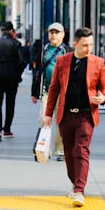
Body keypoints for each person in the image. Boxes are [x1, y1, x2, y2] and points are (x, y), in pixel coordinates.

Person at [42, 27, 105, 207]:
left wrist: (102, 97)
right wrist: (48, 114)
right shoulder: (62, 61)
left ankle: (79, 190)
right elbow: (54, 88)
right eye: (85, 45)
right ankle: (75, 182)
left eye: (91, 45)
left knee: (81, 150)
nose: (89, 49)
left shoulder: (99, 63)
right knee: (69, 153)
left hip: (86, 115)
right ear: (75, 44)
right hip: (66, 115)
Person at [31, 22, 73, 161]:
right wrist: (34, 92)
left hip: (63, 93)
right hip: (46, 92)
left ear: (62, 35)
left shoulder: (68, 51)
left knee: (61, 122)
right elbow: (37, 72)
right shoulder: (43, 50)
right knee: (44, 119)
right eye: (51, 32)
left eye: (56, 32)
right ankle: (43, 150)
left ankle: (60, 151)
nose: (53, 35)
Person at [0, 21, 27, 141]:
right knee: (10, 103)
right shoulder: (16, 44)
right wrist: (18, 75)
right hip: (12, 77)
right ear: (12, 31)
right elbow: (22, 62)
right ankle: (7, 129)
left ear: (1, 31)